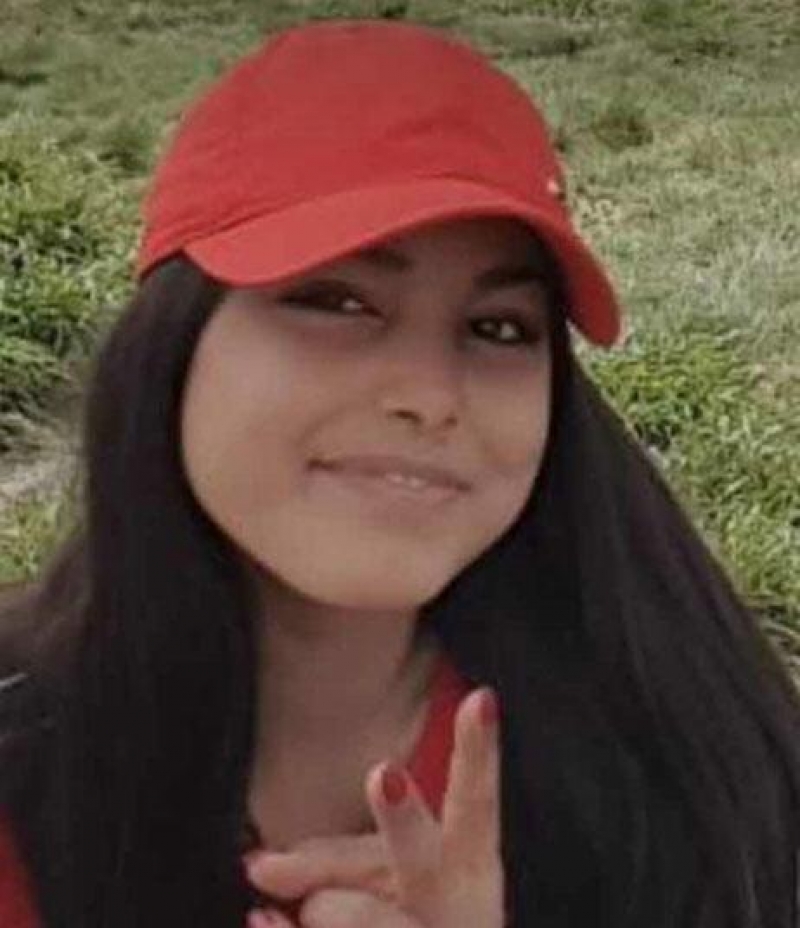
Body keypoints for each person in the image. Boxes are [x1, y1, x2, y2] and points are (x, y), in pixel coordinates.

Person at [0, 16, 798, 928]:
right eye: (337, 302)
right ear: (171, 347)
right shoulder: (24, 754)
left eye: (497, 327)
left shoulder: (686, 779)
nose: (429, 395)